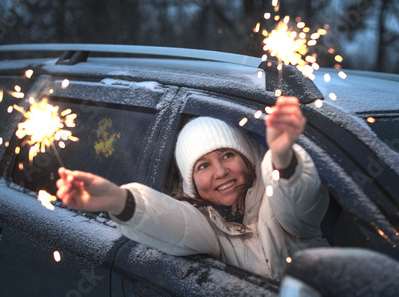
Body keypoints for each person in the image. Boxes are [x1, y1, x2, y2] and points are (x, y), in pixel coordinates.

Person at [56, 96, 329, 280]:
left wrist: (283, 159)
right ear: (192, 183)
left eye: (227, 155)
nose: (221, 172)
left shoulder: (278, 200)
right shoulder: (205, 225)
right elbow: (177, 223)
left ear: (247, 157)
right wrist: (120, 201)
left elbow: (299, 199)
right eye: (203, 166)